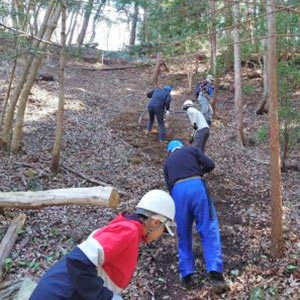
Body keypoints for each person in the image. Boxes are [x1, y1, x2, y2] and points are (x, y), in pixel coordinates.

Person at [29, 190, 176, 300]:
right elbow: (77, 260)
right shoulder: (128, 231)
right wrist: (106, 297)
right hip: (60, 294)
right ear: (155, 222)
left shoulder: (127, 228)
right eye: (162, 231)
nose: (159, 236)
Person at [163, 140, 229, 292]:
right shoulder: (192, 150)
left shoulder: (167, 162)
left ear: (169, 151)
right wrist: (198, 171)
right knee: (208, 228)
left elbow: (169, 185)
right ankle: (215, 274)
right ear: (181, 146)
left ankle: (186, 275)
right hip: (197, 187)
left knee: (183, 232)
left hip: (177, 193)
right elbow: (210, 165)